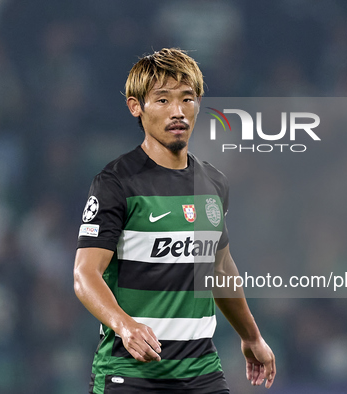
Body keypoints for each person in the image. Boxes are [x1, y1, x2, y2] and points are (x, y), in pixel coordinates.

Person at [73, 48, 275, 393]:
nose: (178, 112)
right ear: (136, 106)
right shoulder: (116, 183)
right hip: (131, 372)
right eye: (163, 100)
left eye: (187, 99)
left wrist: (251, 336)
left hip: (202, 372)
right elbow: (84, 275)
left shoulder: (213, 183)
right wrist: (125, 325)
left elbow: (221, 269)